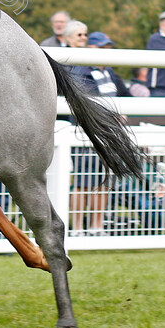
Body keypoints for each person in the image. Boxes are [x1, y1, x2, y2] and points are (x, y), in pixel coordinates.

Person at [63, 21, 108, 236]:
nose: (83, 37)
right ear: (69, 38)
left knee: (101, 179)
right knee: (81, 181)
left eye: (85, 34)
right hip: (79, 128)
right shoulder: (65, 59)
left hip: (101, 128)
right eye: (79, 34)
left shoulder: (93, 63)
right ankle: (78, 228)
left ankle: (96, 227)